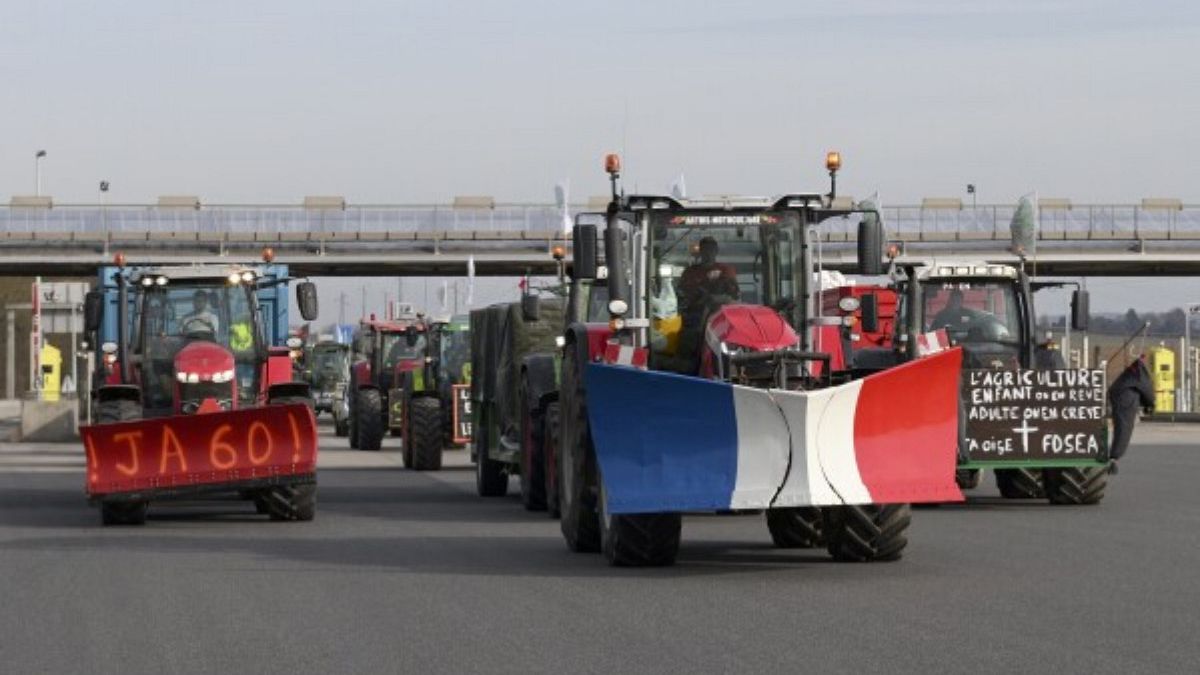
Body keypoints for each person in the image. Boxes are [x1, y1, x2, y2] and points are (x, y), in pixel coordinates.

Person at [678, 236, 739, 308]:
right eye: (705, 250)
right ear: (700, 251)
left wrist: (713, 297)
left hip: (720, 310)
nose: (708, 253)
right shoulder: (689, 272)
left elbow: (733, 294)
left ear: (716, 251)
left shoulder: (726, 270)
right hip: (695, 310)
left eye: (711, 250)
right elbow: (682, 293)